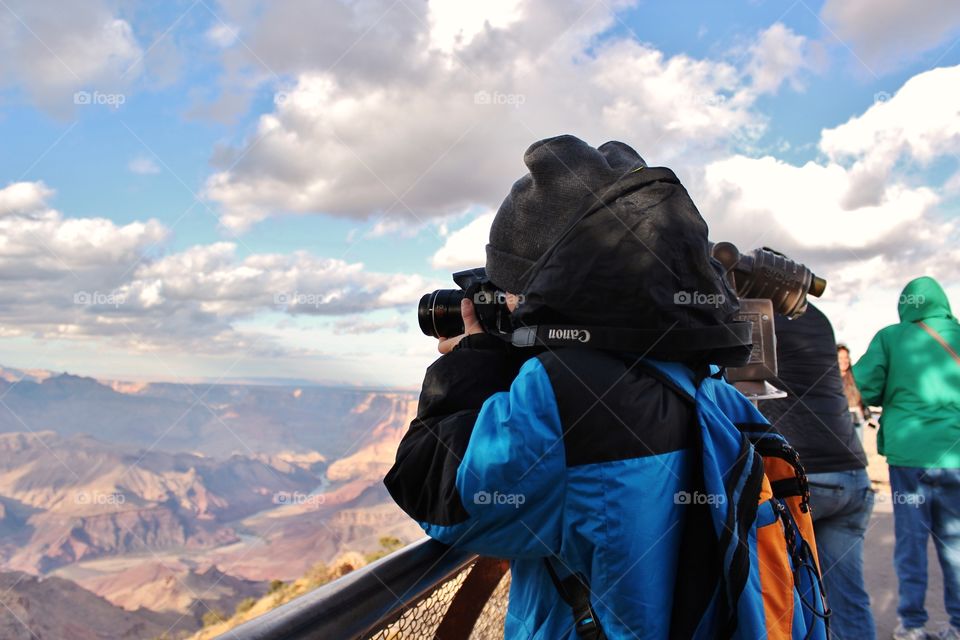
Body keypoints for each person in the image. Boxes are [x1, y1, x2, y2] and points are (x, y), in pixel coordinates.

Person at [384, 135, 826, 638]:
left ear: (544, 289)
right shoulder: (702, 380)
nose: (500, 305)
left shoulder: (565, 398)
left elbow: (432, 487)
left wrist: (475, 361)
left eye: (506, 291)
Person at [758, 304, 876, 640]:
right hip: (851, 472)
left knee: (787, 598)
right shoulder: (817, 317)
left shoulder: (757, 316)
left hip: (799, 478)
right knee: (848, 597)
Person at [854, 276, 960, 640]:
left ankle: (912, 625)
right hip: (956, 454)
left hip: (910, 455)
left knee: (911, 540)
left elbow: (862, 387)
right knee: (956, 544)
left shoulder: (891, 337)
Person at [838, 343, 871, 438]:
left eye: (846, 357)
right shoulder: (831, 379)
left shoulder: (855, 376)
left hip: (857, 421)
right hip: (839, 422)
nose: (844, 361)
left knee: (856, 451)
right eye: (840, 358)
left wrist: (868, 416)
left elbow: (863, 398)